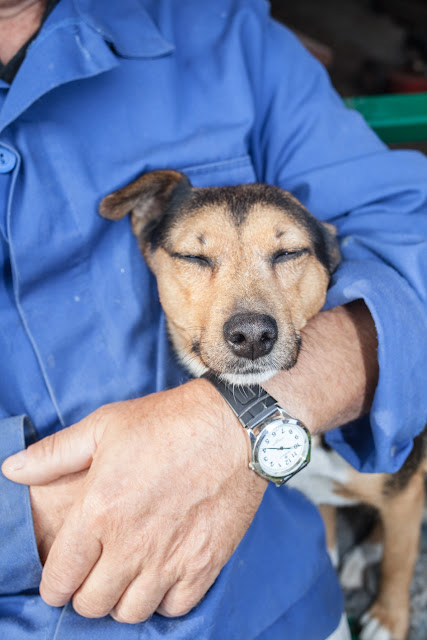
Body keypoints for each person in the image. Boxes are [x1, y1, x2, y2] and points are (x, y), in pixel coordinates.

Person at [0, 0, 426, 639]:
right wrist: (26, 518)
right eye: (199, 258)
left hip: (279, 604)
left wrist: (249, 417)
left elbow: (407, 229)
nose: (249, 317)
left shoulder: (223, 31)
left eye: (285, 254)